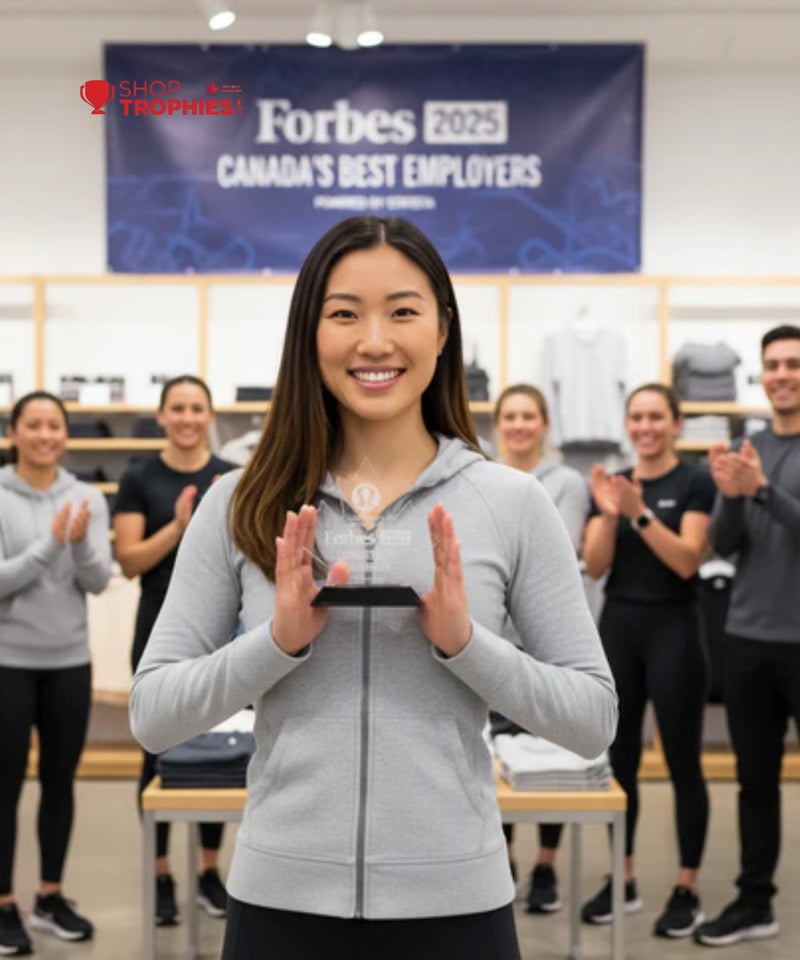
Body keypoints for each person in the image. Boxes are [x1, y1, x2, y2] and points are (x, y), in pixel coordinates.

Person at [129, 215, 617, 960]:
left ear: (443, 330)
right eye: (345, 313)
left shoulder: (511, 504)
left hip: (458, 902)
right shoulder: (240, 502)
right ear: (309, 333)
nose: (375, 341)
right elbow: (153, 715)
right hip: (277, 902)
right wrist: (276, 643)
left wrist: (465, 643)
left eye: (403, 311)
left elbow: (593, 720)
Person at [581, 383, 714, 938]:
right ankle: (623, 877)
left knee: (683, 762)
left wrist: (637, 514)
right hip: (619, 628)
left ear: (676, 424)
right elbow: (593, 566)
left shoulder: (695, 480)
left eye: (657, 416)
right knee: (621, 763)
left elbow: (688, 560)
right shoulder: (613, 483)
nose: (646, 426)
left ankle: (687, 887)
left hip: (675, 630)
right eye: (637, 417)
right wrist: (611, 513)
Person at [113, 376, 235, 925]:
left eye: (197, 408)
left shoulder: (230, 479)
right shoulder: (141, 477)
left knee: (221, 745)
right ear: (161, 416)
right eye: (177, 408)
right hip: (157, 627)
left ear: (210, 416)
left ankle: (210, 871)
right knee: (156, 745)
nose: (188, 417)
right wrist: (180, 528)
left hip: (220, 631)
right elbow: (130, 560)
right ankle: (161, 873)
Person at [694, 325, 800, 948]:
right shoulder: (748, 445)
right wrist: (734, 494)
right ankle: (755, 901)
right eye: (772, 365)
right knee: (754, 781)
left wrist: (760, 488)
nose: (782, 374)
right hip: (746, 638)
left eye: (792, 363)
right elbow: (724, 543)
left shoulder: (762, 462)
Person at [0, 391, 112, 955]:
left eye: (55, 425)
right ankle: (2, 904)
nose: (46, 434)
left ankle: (50, 895)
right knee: (4, 785)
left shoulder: (87, 496)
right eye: (34, 425)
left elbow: (96, 580)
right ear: (14, 432)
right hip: (8, 664)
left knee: (60, 782)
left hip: (70, 660)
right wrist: (52, 544)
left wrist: (81, 544)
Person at [492, 383, 589, 913]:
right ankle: (502, 856)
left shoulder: (566, 482)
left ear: (545, 424)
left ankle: (546, 864)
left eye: (529, 416)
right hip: (491, 639)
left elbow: (562, 551)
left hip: (545, 641)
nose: (520, 425)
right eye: (511, 416)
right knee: (496, 752)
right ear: (499, 423)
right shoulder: (479, 473)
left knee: (552, 753)